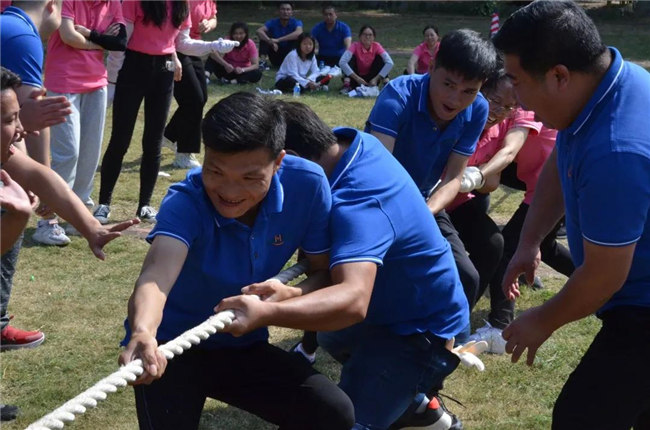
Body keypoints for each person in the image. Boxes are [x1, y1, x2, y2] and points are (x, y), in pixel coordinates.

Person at [216, 101, 469, 430]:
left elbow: (351, 300)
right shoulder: (351, 145)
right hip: (387, 313)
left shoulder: (358, 204)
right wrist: (292, 291)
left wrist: (267, 314)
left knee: (339, 422)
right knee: (333, 337)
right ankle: (410, 402)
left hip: (421, 333)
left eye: (257, 174)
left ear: (288, 158)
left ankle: (408, 392)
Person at [118, 92, 354, 430]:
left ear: (279, 162)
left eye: (249, 178)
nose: (229, 191)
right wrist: (143, 331)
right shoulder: (187, 201)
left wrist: (289, 295)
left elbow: (322, 272)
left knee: (332, 411)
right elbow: (157, 275)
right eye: (216, 171)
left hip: (244, 341)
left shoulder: (309, 185)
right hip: (169, 348)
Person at [493, 2, 650, 429]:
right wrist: (529, 240)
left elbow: (603, 277)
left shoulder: (616, 150)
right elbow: (562, 160)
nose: (513, 95)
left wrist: (541, 320)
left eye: (517, 80)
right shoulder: (605, 83)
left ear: (559, 76)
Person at [0, 65, 139, 421]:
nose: (21, 130)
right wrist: (18, 217)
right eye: (10, 120)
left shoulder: (8, 153)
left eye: (18, 117)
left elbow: (43, 178)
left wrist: (92, 228)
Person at [365, 29, 497, 345]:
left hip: (423, 204)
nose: (455, 99)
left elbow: (453, 178)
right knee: (358, 275)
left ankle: (434, 357)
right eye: (448, 84)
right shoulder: (397, 96)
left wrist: (423, 215)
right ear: (432, 65)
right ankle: (312, 344)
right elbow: (377, 176)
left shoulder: (477, 108)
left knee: (466, 276)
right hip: (374, 202)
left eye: (468, 90)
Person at [96, 0, 236, 225]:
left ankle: (145, 205)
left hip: (163, 72)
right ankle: (104, 203)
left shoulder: (181, 6)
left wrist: (213, 46)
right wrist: (113, 78)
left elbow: (183, 44)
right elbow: (121, 42)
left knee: (152, 141)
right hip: (133, 68)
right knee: (120, 139)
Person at [43, 0, 127, 237]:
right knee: (68, 152)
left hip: (96, 82)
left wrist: (89, 38)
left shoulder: (113, 4)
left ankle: (78, 215)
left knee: (90, 151)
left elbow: (119, 43)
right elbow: (68, 35)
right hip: (63, 80)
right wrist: (100, 42)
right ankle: (48, 221)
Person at [1, 0, 73, 246]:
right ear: (52, 5)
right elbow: (33, 119)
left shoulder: (7, 25)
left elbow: (14, 118)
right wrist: (42, 184)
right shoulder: (23, 35)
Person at [163, 0, 217, 170]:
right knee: (193, 99)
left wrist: (209, 23)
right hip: (176, 49)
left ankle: (169, 136)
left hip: (194, 48)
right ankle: (184, 153)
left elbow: (214, 16)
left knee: (200, 98)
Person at [339, 25, 393, 94]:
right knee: (350, 58)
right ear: (360, 36)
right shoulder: (355, 46)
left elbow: (390, 63)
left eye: (370, 35)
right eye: (365, 34)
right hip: (355, 78)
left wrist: (376, 79)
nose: (367, 37)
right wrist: (357, 78)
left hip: (372, 79)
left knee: (380, 59)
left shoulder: (377, 46)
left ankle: (386, 84)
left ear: (374, 37)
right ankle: (346, 85)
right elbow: (342, 62)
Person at [256, 2, 302, 69]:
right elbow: (259, 31)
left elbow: (299, 33)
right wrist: (270, 41)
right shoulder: (272, 22)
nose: (285, 12)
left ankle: (294, 63)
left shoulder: (296, 22)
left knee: (299, 37)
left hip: (290, 55)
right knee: (265, 35)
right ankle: (262, 62)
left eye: (288, 9)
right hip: (276, 54)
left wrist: (278, 40)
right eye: (283, 9)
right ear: (278, 11)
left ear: (292, 12)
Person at [311, 2, 351, 67]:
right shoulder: (317, 28)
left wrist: (345, 60)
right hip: (322, 57)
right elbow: (310, 41)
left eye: (330, 14)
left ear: (336, 15)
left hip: (339, 57)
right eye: (326, 15)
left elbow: (348, 47)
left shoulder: (344, 28)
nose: (328, 17)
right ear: (323, 16)